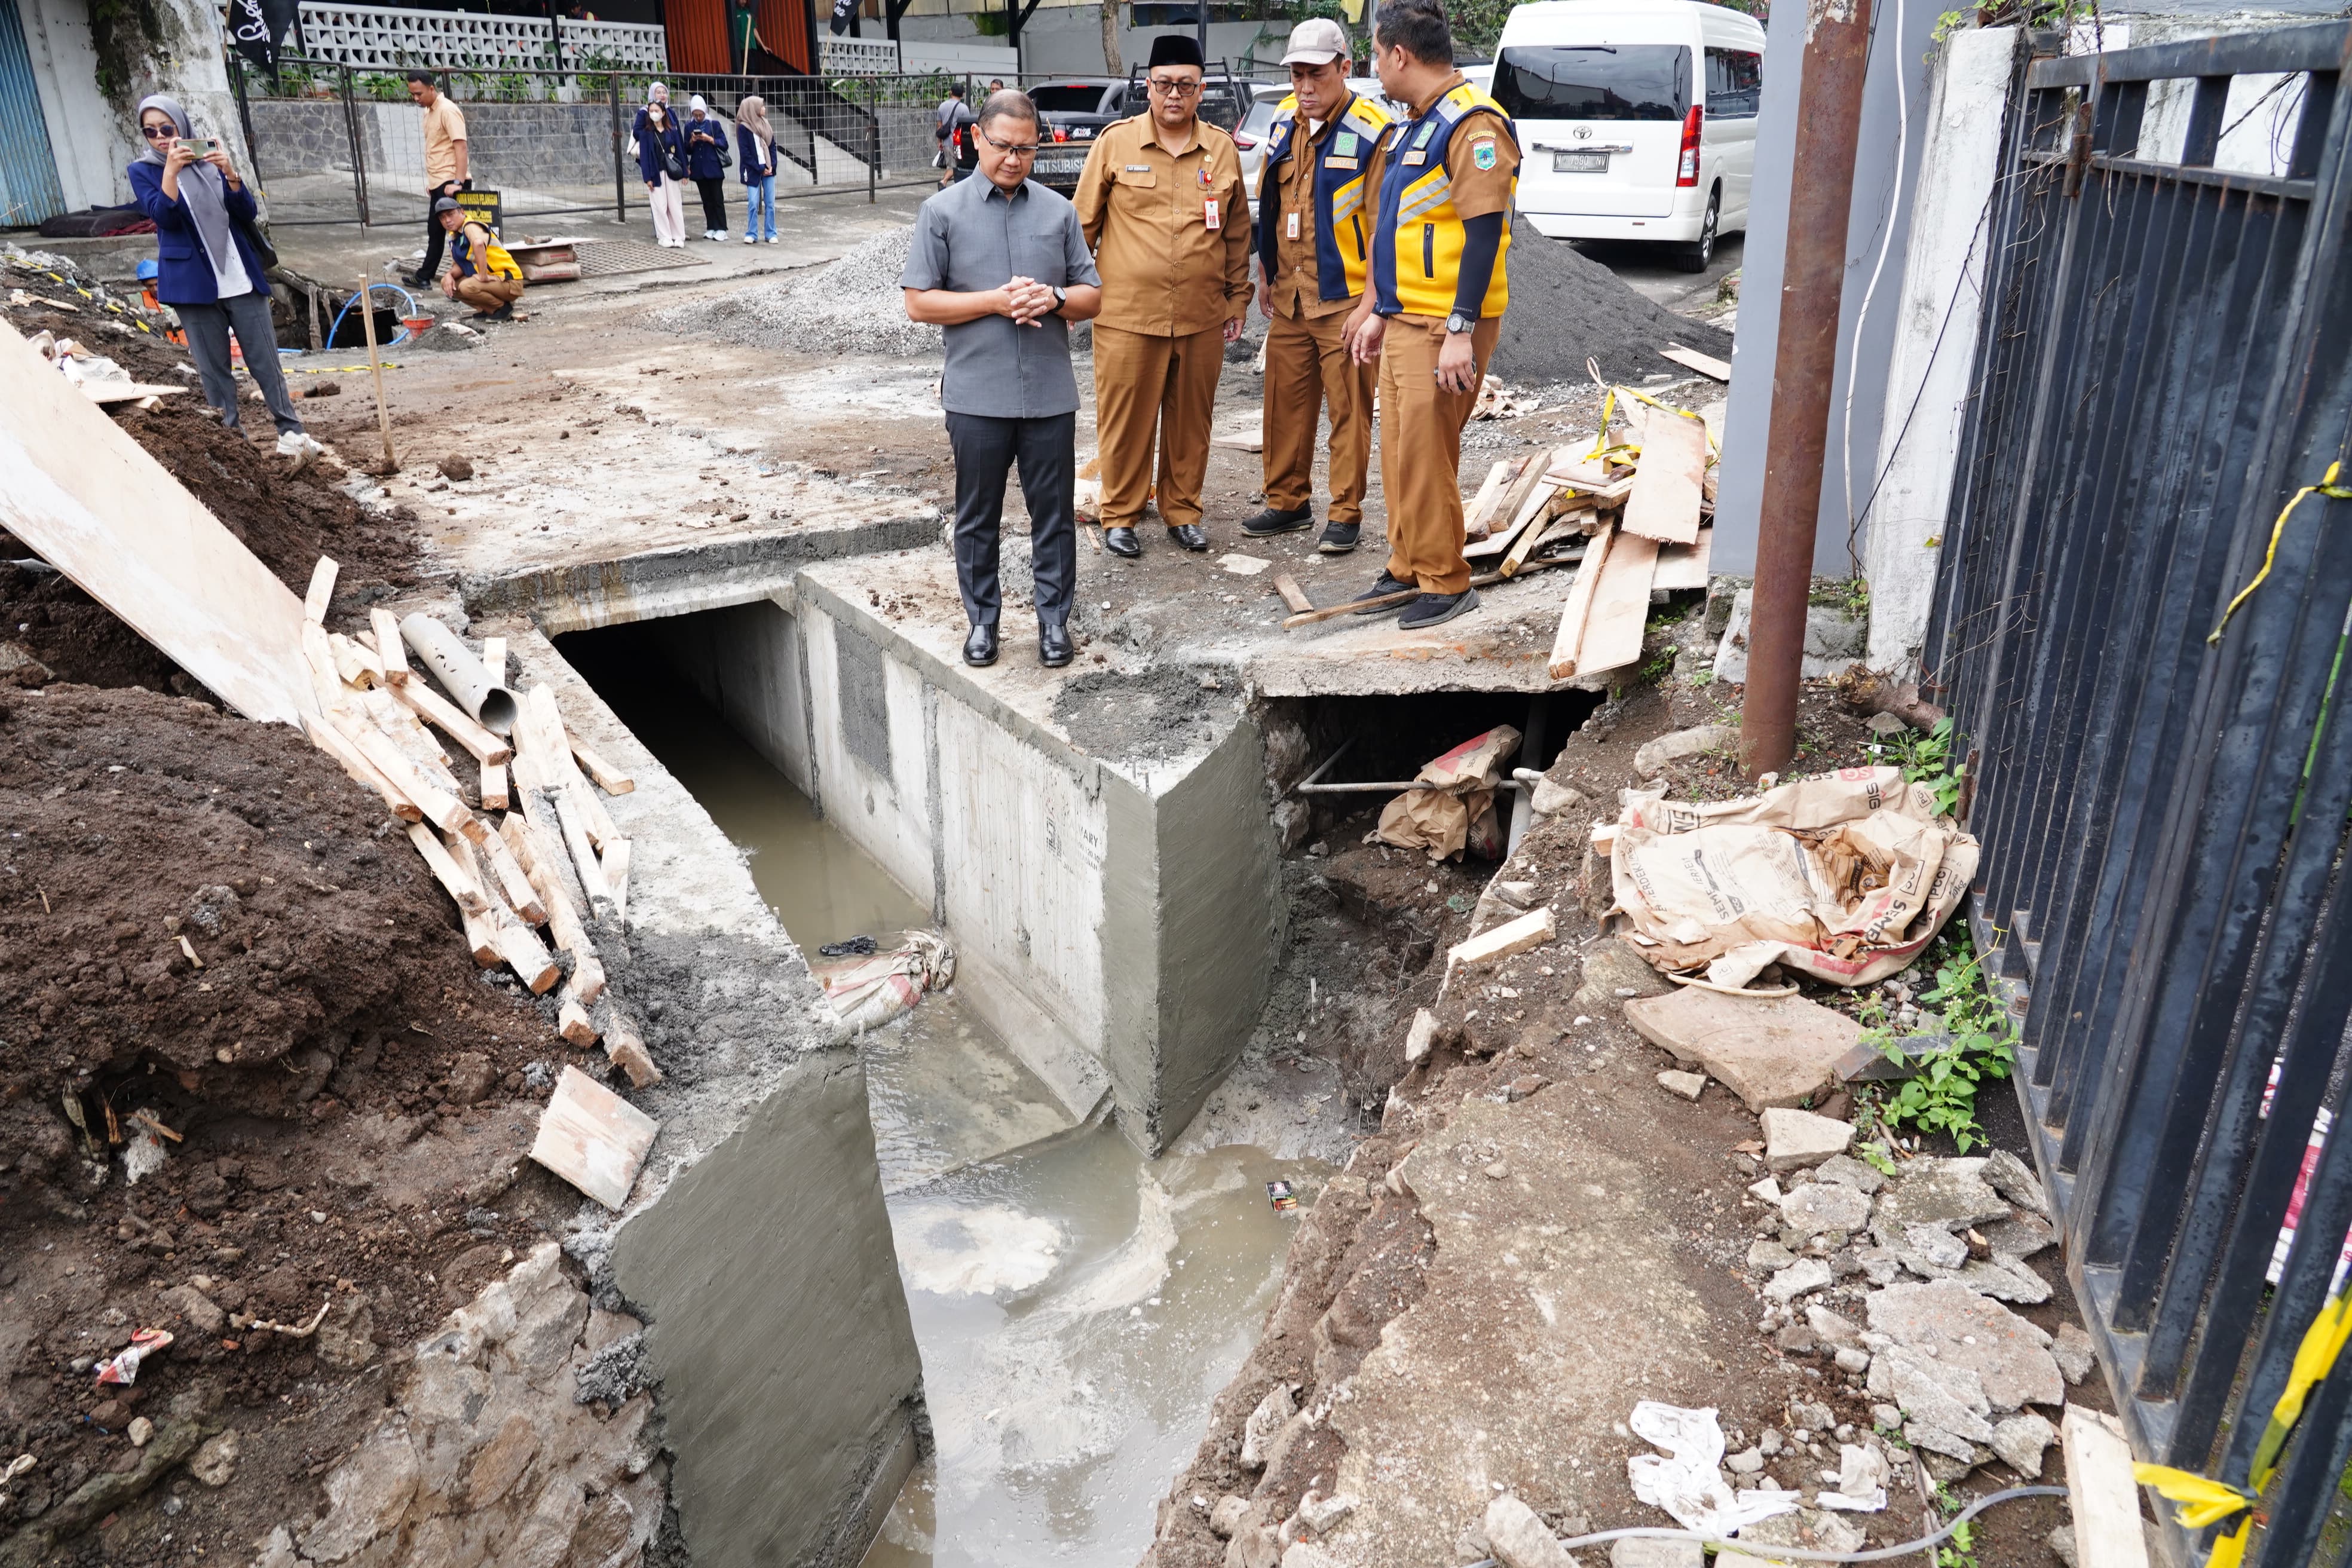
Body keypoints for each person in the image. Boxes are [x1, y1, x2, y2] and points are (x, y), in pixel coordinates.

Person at [901, 90, 1103, 670]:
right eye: (1003, 147)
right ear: (974, 140)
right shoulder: (942, 213)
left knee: (1054, 517)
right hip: (977, 396)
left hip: (1047, 395)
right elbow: (918, 303)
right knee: (977, 515)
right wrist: (992, 300)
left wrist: (1055, 295)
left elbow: (1092, 294)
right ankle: (983, 623)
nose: (1014, 160)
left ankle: (1053, 625)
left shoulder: (1058, 213)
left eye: (1027, 149)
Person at [1344, 0, 1520, 630]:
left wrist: (1460, 332)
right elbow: (1398, 228)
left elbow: (1482, 234)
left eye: (1375, 55)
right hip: (1405, 319)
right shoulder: (1418, 122)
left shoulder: (1473, 125)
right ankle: (1407, 564)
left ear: (1399, 55)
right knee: (1399, 452)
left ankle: (1446, 580)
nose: (1375, 68)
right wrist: (1378, 309)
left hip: (1445, 324)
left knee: (1427, 452)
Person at [1071, 33, 1248, 559]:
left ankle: (1183, 511)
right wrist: (1070, 300)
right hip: (1126, 315)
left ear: (1202, 90)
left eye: (1186, 86)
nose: (1175, 95)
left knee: (1192, 421)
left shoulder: (1220, 149)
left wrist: (1238, 299)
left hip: (1200, 317)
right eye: (1165, 84)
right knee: (1126, 421)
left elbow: (1238, 234)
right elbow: (1082, 225)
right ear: (1148, 87)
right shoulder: (1115, 143)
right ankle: (1120, 514)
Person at [1245, 17, 1392, 556]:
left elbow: (1383, 226)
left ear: (1345, 69)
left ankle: (1345, 512)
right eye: (1298, 76)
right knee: (1284, 402)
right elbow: (1272, 203)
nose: (1305, 87)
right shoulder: (1284, 122)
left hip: (1344, 300)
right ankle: (1287, 502)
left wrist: (1373, 303)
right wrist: (1265, 272)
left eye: (1317, 75)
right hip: (1290, 295)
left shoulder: (1373, 130)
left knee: (1349, 408)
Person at [127, 96, 322, 463]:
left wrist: (231, 174)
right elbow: (164, 218)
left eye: (167, 129)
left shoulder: (208, 162)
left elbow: (246, 211)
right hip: (193, 284)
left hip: (238, 275)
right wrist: (170, 171)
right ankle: (235, 447)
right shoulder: (144, 170)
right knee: (214, 372)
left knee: (266, 360)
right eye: (150, 132)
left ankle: (291, 432)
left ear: (181, 127)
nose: (160, 139)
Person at [402, 71, 467, 288]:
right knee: (436, 231)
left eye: (419, 93)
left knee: (458, 232)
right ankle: (425, 276)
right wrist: (434, 184)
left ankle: (461, 280)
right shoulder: (429, 112)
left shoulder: (447, 110)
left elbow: (461, 146)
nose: (416, 99)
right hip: (441, 182)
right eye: (413, 94)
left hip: (452, 183)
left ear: (432, 88)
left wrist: (458, 182)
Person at [433, 197, 524, 320]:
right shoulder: (454, 236)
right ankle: (489, 310)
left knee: (467, 287)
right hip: (493, 282)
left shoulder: (470, 227)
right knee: (447, 283)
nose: (447, 220)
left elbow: (479, 244)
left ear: (462, 212)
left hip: (508, 280)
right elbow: (459, 266)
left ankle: (502, 308)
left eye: (451, 214)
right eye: (442, 218)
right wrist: (449, 275)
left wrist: (483, 276)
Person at [633, 85, 688, 247]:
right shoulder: (646, 133)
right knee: (659, 205)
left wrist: (685, 171)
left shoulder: (671, 131)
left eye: (657, 110)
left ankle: (679, 236)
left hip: (671, 172)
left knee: (675, 205)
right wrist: (647, 178)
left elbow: (679, 150)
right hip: (656, 173)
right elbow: (645, 158)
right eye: (651, 111)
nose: (654, 113)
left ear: (664, 112)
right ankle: (664, 236)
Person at [685, 95, 730, 240]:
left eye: (700, 114)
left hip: (714, 167)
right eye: (695, 115)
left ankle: (722, 228)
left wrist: (710, 139)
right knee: (706, 200)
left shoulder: (713, 125)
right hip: (699, 168)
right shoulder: (689, 126)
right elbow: (687, 149)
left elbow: (724, 143)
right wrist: (692, 141)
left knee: (717, 199)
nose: (698, 117)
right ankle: (711, 227)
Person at [737, 95, 779, 243]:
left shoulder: (766, 124)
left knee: (770, 203)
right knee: (753, 202)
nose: (764, 108)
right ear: (752, 109)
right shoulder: (744, 127)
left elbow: (772, 146)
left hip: (768, 169)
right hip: (753, 169)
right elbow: (745, 153)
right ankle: (752, 233)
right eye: (761, 106)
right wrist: (760, 168)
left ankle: (771, 233)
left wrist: (771, 165)